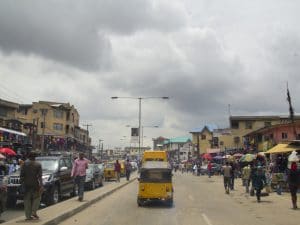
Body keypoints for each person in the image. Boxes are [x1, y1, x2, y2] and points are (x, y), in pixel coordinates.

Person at [20, 151, 43, 220]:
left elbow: (21, 175)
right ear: (35, 157)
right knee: (37, 198)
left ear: (28, 156)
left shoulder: (24, 164)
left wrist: (22, 184)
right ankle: (34, 212)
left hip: (26, 185)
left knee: (27, 200)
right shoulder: (38, 164)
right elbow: (40, 176)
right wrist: (41, 185)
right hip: (35, 184)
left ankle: (28, 216)